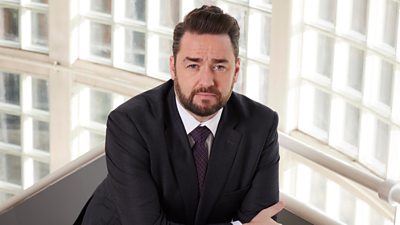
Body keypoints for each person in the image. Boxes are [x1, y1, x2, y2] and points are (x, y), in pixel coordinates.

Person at [78, 5, 283, 225]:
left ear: (236, 70)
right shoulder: (130, 124)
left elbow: (262, 219)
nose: (206, 81)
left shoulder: (261, 125)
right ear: (173, 67)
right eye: (193, 65)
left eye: (220, 67)